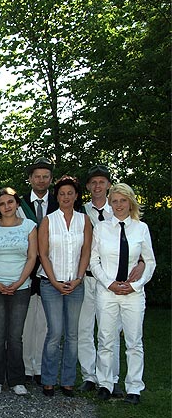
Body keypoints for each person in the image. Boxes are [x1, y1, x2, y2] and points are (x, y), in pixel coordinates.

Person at [78, 165, 144, 395]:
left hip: (116, 283)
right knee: (86, 329)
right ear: (87, 187)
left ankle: (111, 378)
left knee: (111, 332)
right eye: (93, 182)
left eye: (102, 182)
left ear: (108, 185)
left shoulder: (120, 212)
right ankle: (89, 375)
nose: (97, 186)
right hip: (87, 278)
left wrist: (142, 263)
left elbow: (142, 252)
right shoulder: (81, 211)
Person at [91, 183, 155, 404]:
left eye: (123, 200)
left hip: (133, 294)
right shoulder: (101, 228)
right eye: (115, 201)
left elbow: (150, 262)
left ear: (130, 202)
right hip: (107, 292)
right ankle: (106, 383)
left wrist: (135, 286)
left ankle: (134, 388)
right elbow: (93, 261)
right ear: (110, 203)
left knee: (133, 341)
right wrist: (109, 283)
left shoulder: (141, 228)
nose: (118, 205)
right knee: (106, 339)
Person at [38, 175, 91, 397]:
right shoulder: (49, 220)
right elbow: (43, 254)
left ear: (76, 195)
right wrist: (54, 282)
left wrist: (78, 278)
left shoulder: (84, 220)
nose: (66, 197)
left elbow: (86, 251)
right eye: (61, 193)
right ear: (56, 196)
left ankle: (68, 380)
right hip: (52, 284)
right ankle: (48, 379)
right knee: (54, 332)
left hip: (76, 284)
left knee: (72, 334)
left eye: (70, 193)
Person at [0, 188, 37, 395]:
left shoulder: (30, 226)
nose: (7, 206)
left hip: (20, 287)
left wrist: (20, 281)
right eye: (2, 203)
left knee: (15, 336)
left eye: (10, 202)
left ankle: (16, 380)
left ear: (17, 204)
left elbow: (32, 257)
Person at [18, 157, 58, 385]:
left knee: (44, 323)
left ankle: (41, 368)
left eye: (45, 176)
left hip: (52, 269)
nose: (41, 180)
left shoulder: (60, 202)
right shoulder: (19, 202)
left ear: (51, 180)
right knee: (25, 323)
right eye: (37, 176)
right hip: (26, 269)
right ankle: (25, 367)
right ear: (30, 179)